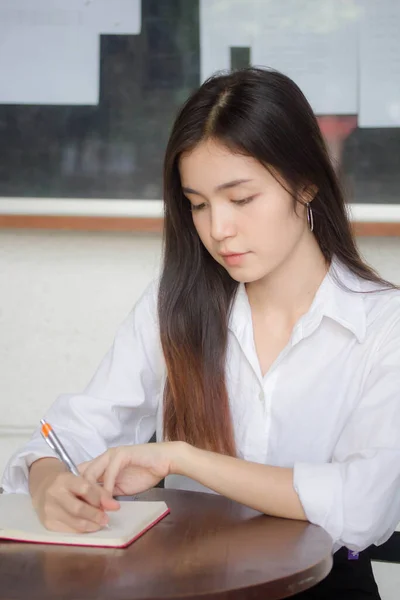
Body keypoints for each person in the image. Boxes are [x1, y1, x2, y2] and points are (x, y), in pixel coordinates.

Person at [2, 67, 400, 599]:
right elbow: (72, 431)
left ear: (306, 184)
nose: (218, 230)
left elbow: (363, 504)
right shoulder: (176, 303)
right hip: (193, 583)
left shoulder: (383, 324)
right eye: (198, 204)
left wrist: (183, 458)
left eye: (241, 199)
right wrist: (50, 479)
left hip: (325, 586)